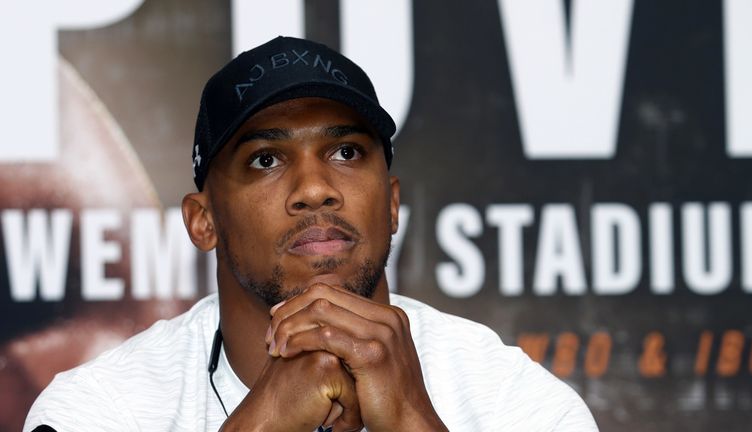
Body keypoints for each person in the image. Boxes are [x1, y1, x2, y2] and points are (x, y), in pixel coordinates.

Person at [24, 36, 598, 432]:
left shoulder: (514, 400)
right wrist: (264, 419)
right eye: (267, 160)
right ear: (204, 221)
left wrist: (407, 419)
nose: (315, 187)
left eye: (345, 151)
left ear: (393, 204)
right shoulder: (99, 409)